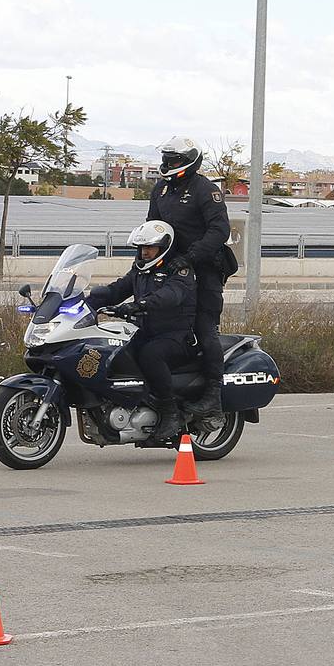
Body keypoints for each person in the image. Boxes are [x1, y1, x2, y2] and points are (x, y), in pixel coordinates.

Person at [146, 137, 233, 431]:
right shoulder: (160, 189)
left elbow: (220, 229)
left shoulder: (205, 190)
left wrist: (192, 257)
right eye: (167, 159)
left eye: (174, 159)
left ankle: (213, 398)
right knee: (157, 326)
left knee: (204, 329)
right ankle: (162, 394)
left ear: (189, 161)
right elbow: (153, 228)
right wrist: (143, 260)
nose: (169, 164)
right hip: (171, 269)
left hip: (205, 268)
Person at [87, 221, 197, 442]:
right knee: (112, 349)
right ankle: (127, 402)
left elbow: (170, 295)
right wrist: (86, 301)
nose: (145, 251)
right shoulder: (139, 269)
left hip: (176, 335)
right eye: (141, 247)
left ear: (164, 246)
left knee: (151, 354)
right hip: (146, 331)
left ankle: (170, 413)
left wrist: (140, 305)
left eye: (150, 247)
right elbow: (118, 289)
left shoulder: (179, 270)